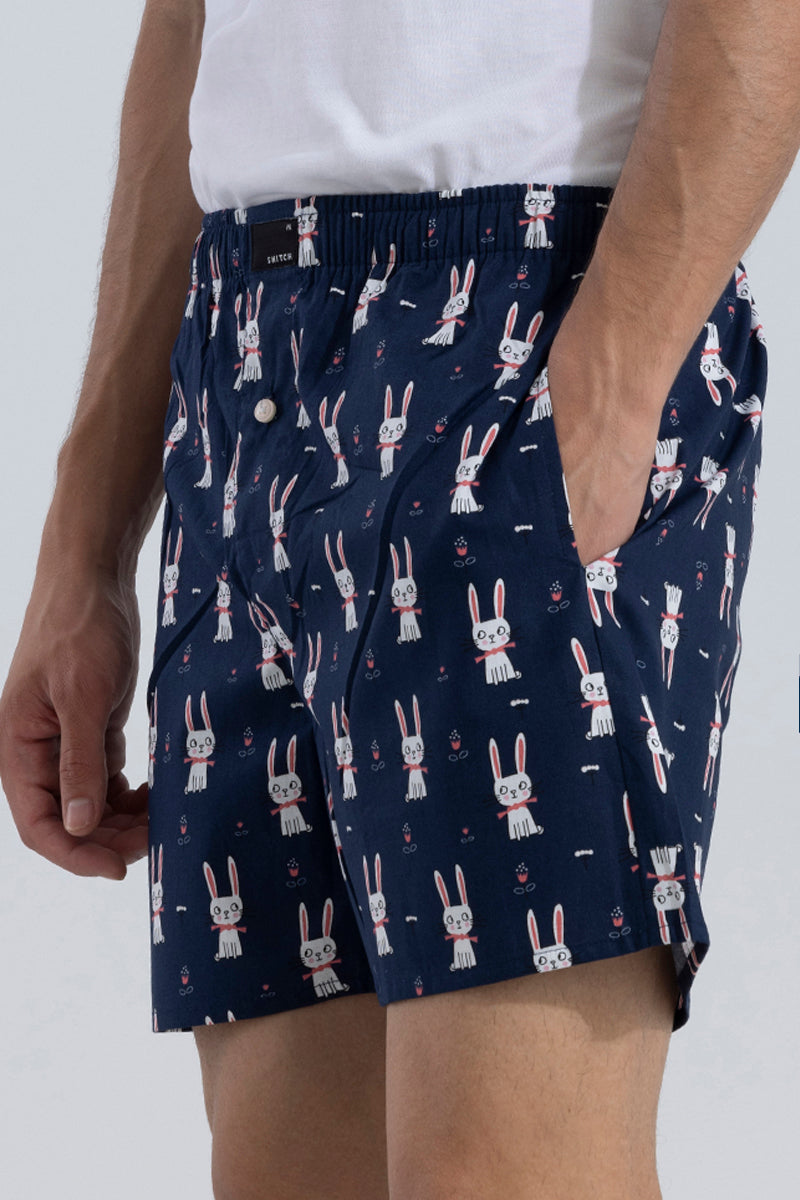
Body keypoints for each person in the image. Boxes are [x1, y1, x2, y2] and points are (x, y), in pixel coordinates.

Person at [0, 1, 794, 1197]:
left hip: (522, 313)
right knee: (286, 1173)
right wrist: (83, 543)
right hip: (237, 361)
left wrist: (616, 373)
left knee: (506, 1176)